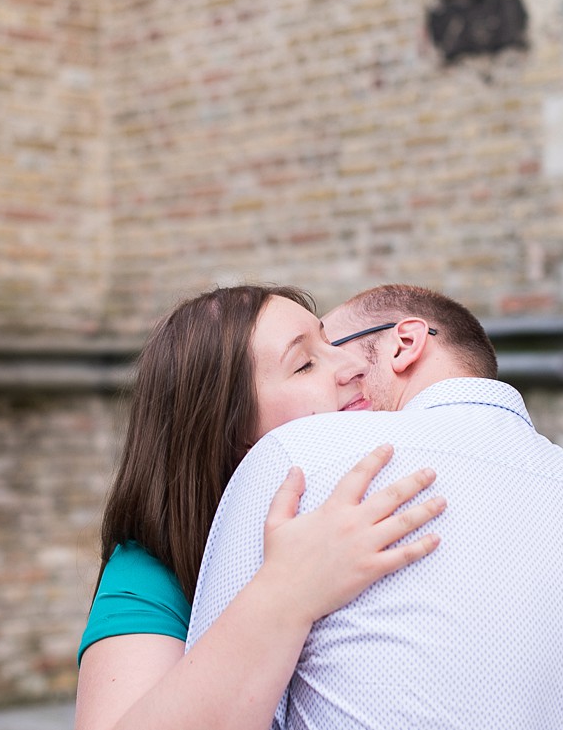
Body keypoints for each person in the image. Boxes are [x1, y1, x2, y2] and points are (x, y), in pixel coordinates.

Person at [188, 284, 563, 729]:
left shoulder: (304, 460)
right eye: (306, 363)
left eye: (332, 349)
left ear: (405, 343)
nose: (344, 374)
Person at [75, 285, 448, 730]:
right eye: (306, 363)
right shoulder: (150, 575)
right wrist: (287, 591)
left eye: (330, 344)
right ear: (230, 432)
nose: (354, 364)